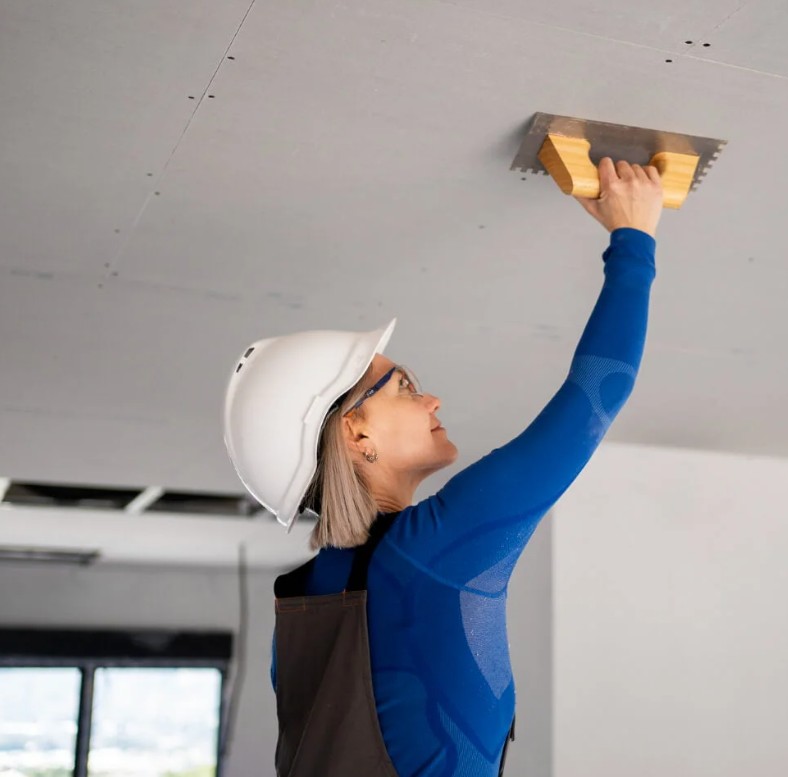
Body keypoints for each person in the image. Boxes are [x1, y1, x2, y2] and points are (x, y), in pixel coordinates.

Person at [222, 156, 665, 776]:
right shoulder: (430, 552)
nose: (430, 400)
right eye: (404, 387)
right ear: (356, 432)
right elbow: (594, 395)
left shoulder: (303, 603)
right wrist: (633, 237)